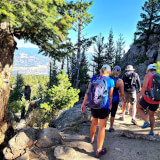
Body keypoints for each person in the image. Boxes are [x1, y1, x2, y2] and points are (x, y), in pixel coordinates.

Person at [81, 64, 114, 157]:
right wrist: (110, 105)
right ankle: (99, 150)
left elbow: (88, 91)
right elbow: (110, 95)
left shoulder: (94, 78)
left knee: (94, 122)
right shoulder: (110, 80)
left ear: (101, 71)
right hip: (104, 105)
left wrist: (84, 103)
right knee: (102, 127)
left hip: (94, 104)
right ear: (109, 72)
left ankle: (91, 138)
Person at [137, 64, 160, 136]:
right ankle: (152, 131)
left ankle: (146, 122)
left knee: (139, 107)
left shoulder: (148, 75)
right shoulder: (159, 75)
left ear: (148, 69)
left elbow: (144, 88)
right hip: (157, 99)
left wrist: (139, 95)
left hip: (148, 98)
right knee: (152, 115)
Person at [109, 66, 125, 132]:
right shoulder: (119, 81)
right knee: (113, 113)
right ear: (119, 72)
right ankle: (111, 127)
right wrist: (123, 98)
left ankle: (103, 125)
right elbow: (122, 92)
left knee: (106, 113)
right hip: (115, 99)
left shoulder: (108, 78)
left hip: (107, 98)